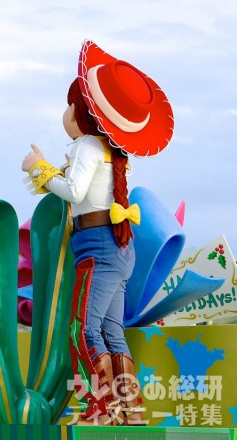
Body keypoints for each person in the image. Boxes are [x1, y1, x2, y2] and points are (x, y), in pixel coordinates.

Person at [22, 40, 174, 425]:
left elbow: (74, 192)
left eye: (71, 105)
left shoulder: (87, 145)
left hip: (98, 247)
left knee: (84, 330)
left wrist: (38, 167)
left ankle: (100, 408)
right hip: (119, 248)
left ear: (81, 112)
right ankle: (129, 410)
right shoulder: (114, 152)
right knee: (111, 331)